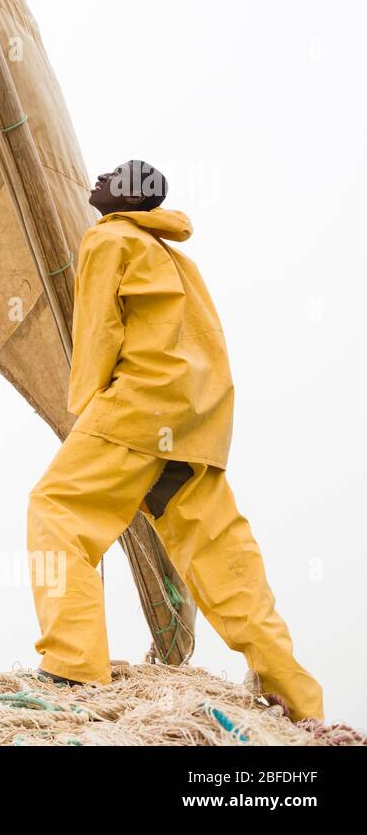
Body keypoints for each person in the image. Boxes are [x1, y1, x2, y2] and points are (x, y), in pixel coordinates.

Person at [27, 159, 324, 722]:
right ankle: (299, 701)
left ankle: (71, 663)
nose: (97, 178)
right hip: (197, 429)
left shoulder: (109, 239)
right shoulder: (177, 260)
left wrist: (88, 411)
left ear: (127, 195)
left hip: (136, 412)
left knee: (57, 509)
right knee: (224, 559)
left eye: (113, 174)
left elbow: (98, 333)